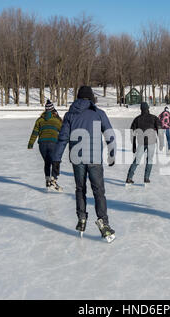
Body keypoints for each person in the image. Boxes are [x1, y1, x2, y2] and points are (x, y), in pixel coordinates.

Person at [53, 86, 117, 243]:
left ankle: (81, 218)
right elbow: (110, 134)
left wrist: (56, 159)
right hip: (94, 159)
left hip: (77, 159)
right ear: (91, 98)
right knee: (98, 191)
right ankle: (103, 222)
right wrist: (112, 153)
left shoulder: (70, 115)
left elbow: (63, 138)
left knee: (80, 189)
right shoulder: (99, 113)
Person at [28, 100, 63, 192]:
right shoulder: (56, 120)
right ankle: (53, 180)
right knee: (55, 161)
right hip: (53, 143)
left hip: (42, 144)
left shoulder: (39, 120)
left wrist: (31, 143)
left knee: (47, 162)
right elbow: (63, 130)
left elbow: (35, 132)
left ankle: (48, 181)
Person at [126, 102, 164, 185]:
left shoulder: (137, 119)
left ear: (141, 109)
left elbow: (132, 133)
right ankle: (146, 178)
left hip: (141, 142)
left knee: (137, 160)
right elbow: (160, 130)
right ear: (148, 108)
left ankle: (129, 178)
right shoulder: (154, 118)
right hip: (151, 142)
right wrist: (161, 142)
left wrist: (133, 145)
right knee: (149, 160)